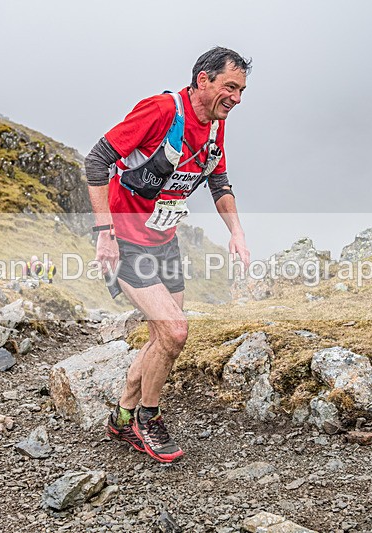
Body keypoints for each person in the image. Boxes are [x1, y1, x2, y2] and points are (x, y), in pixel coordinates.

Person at [84, 47, 252, 463]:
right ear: (203, 80)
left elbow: (219, 181)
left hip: (165, 241)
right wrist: (104, 233)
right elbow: (97, 160)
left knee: (164, 336)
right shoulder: (161, 111)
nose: (236, 98)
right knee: (175, 332)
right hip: (126, 241)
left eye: (242, 90)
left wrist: (237, 233)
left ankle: (123, 416)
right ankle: (149, 418)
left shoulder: (215, 125)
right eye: (230, 87)